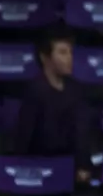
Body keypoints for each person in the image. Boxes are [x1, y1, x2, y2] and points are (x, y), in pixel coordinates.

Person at [13, 29, 94, 184]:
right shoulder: (34, 91)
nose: (69, 58)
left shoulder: (77, 90)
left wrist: (83, 165)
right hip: (39, 168)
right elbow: (25, 138)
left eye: (70, 52)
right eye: (63, 53)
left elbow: (81, 134)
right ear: (45, 57)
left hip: (70, 168)